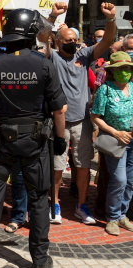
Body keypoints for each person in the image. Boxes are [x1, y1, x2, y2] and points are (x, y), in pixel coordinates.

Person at [0, 8, 67, 268]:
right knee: (39, 200)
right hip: (36, 144)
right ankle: (40, 261)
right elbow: (59, 109)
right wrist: (61, 139)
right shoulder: (44, 63)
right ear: (31, 32)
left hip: (1, 143)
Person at [43, 2, 116, 225]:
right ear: (57, 42)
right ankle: (54, 203)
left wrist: (111, 19)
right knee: (57, 166)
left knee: (83, 165)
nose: (73, 44)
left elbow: (107, 41)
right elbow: (41, 39)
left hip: (83, 120)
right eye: (68, 41)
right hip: (59, 122)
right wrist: (52, 17)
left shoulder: (84, 55)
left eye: (75, 40)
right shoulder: (52, 56)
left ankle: (81, 206)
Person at [91, 51, 133, 236]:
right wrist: (116, 132)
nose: (125, 72)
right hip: (115, 141)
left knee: (131, 181)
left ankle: (123, 214)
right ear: (113, 71)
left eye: (128, 69)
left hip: (132, 140)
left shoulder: (132, 87)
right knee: (119, 180)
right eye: (121, 69)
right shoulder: (105, 89)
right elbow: (95, 116)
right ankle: (113, 217)